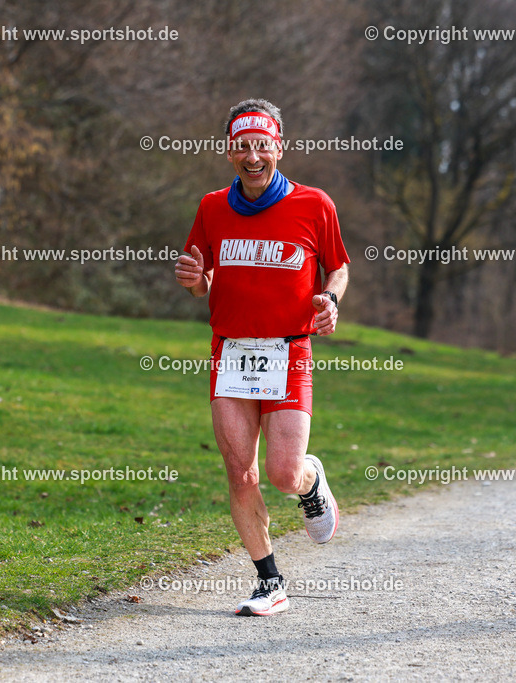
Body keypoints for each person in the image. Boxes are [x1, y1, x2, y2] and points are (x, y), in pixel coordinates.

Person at [175, 98, 350, 616]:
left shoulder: (315, 204)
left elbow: (338, 267)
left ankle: (310, 481)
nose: (253, 156)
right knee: (239, 472)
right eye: (242, 147)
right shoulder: (211, 207)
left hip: (289, 350)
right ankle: (269, 581)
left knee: (281, 473)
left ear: (278, 147)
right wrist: (192, 281)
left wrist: (331, 301)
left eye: (262, 145)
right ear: (231, 152)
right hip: (231, 350)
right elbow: (201, 278)